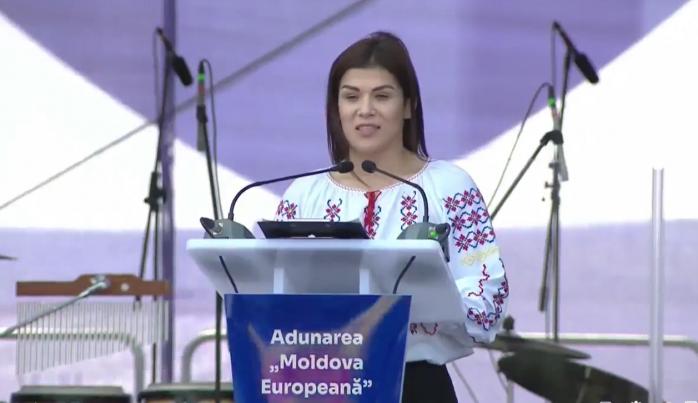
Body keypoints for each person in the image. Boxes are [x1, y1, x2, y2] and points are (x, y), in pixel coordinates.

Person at [274, 31, 508, 403]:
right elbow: (275, 294)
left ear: (409, 106)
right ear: (336, 108)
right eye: (351, 96)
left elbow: (487, 298)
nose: (365, 109)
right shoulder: (304, 195)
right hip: (320, 382)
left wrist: (410, 306)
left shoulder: (448, 187)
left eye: (382, 96)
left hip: (415, 383)